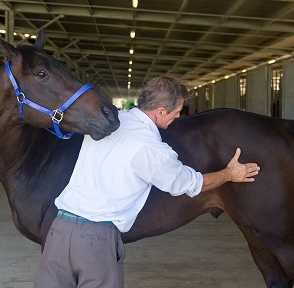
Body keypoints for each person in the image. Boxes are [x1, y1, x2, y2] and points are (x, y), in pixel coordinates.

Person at [33, 75, 260, 288]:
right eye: (177, 111)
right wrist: (230, 174)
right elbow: (191, 184)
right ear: (160, 111)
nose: (178, 116)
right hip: (95, 239)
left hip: (59, 230)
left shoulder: (112, 121)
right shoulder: (152, 149)